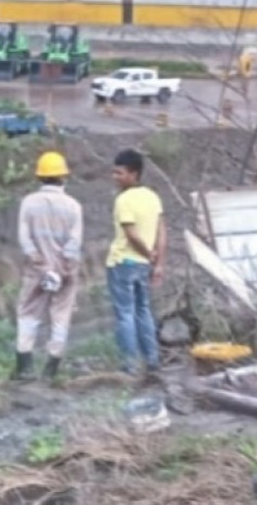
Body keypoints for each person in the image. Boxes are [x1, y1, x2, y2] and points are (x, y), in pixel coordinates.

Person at [12, 151, 84, 383]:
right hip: (66, 271)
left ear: (39, 176)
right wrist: (61, 268)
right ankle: (51, 369)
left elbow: (25, 239)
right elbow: (74, 242)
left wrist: (41, 263)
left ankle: (24, 367)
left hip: (37, 269)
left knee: (28, 313)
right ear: (63, 176)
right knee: (61, 315)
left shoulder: (29, 203)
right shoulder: (73, 206)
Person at [107, 149, 167, 381]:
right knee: (143, 310)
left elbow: (131, 234)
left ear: (134, 174)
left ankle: (130, 365)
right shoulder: (153, 197)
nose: (115, 177)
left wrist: (149, 254)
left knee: (125, 313)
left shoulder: (123, 200)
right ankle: (152, 360)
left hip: (123, 262)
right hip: (143, 265)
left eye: (119, 173)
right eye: (114, 172)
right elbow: (162, 232)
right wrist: (158, 263)